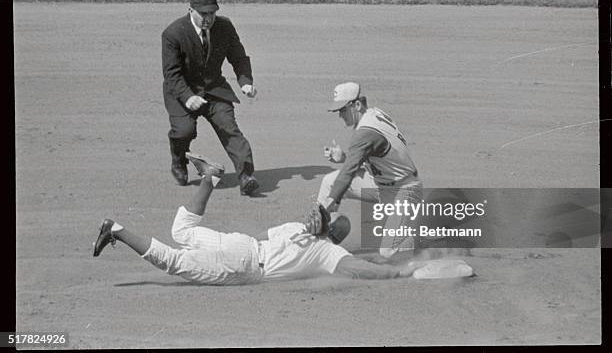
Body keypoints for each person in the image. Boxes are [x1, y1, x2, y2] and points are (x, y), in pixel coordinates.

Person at [92, 155, 426, 284]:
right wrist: (395, 272)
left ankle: (210, 177)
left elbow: (267, 234)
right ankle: (117, 230)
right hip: (245, 265)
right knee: (174, 262)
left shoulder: (297, 227)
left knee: (182, 231)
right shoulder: (328, 253)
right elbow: (357, 268)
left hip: (242, 244)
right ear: (336, 238)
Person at [162, 0, 258, 195]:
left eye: (212, 13)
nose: (208, 18)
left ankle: (246, 176)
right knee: (183, 131)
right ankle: (179, 161)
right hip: (182, 91)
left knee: (229, 128)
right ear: (191, 10)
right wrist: (188, 97)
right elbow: (172, 74)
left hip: (214, 89)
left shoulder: (224, 26)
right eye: (203, 14)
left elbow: (238, 56)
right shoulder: (173, 34)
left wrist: (245, 81)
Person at [317, 82, 423, 259]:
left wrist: (330, 203)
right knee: (329, 182)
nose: (340, 116)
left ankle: (415, 251)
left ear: (357, 105)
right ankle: (321, 241)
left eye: (343, 110)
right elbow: (377, 155)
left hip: (405, 191)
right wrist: (344, 158)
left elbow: (349, 172)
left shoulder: (365, 132)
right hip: (380, 184)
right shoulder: (374, 113)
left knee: (389, 252)